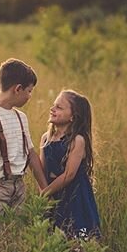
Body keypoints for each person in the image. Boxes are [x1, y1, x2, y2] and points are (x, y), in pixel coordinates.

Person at [0, 58, 48, 230]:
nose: (30, 96)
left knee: (15, 237)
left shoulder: (21, 118)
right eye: (29, 91)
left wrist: (45, 188)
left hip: (18, 187)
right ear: (18, 89)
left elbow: (31, 154)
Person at [40, 89, 101, 239]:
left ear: (73, 116)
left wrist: (45, 193)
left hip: (76, 198)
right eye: (54, 105)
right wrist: (44, 195)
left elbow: (69, 175)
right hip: (53, 195)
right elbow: (42, 171)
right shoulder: (46, 138)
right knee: (55, 238)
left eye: (59, 107)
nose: (52, 109)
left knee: (79, 240)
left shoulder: (77, 140)